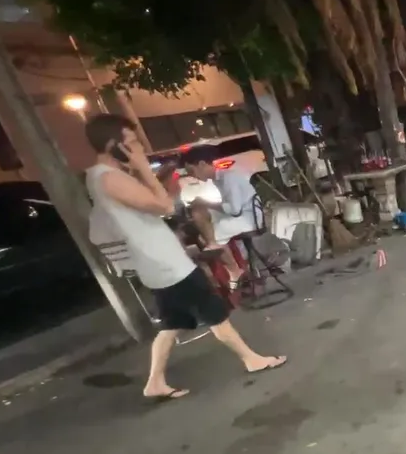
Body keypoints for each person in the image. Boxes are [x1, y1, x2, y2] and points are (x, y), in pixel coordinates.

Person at [83, 114, 286, 401]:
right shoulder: (109, 178)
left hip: (155, 260)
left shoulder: (101, 176)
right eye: (132, 143)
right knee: (213, 310)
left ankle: (155, 381)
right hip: (165, 261)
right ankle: (251, 358)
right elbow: (165, 206)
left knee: (171, 323)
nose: (139, 148)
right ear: (113, 145)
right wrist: (143, 169)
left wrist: (147, 174)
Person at [181, 145, 262, 283]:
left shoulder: (229, 178)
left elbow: (234, 210)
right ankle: (218, 249)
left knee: (207, 237)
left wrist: (207, 203)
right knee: (199, 213)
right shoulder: (219, 179)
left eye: (191, 171)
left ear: (201, 164)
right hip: (241, 215)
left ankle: (235, 270)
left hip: (249, 218)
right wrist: (203, 205)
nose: (192, 176)